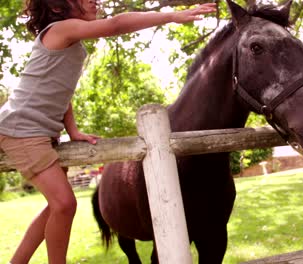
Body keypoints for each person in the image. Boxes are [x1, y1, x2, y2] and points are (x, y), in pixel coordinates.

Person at [0, 0, 217, 263]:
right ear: (58, 8)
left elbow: (61, 93)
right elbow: (116, 24)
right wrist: (171, 16)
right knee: (65, 204)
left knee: (54, 208)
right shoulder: (60, 30)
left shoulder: (72, 45)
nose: (95, 1)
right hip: (21, 130)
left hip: (42, 133)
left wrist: (73, 130)